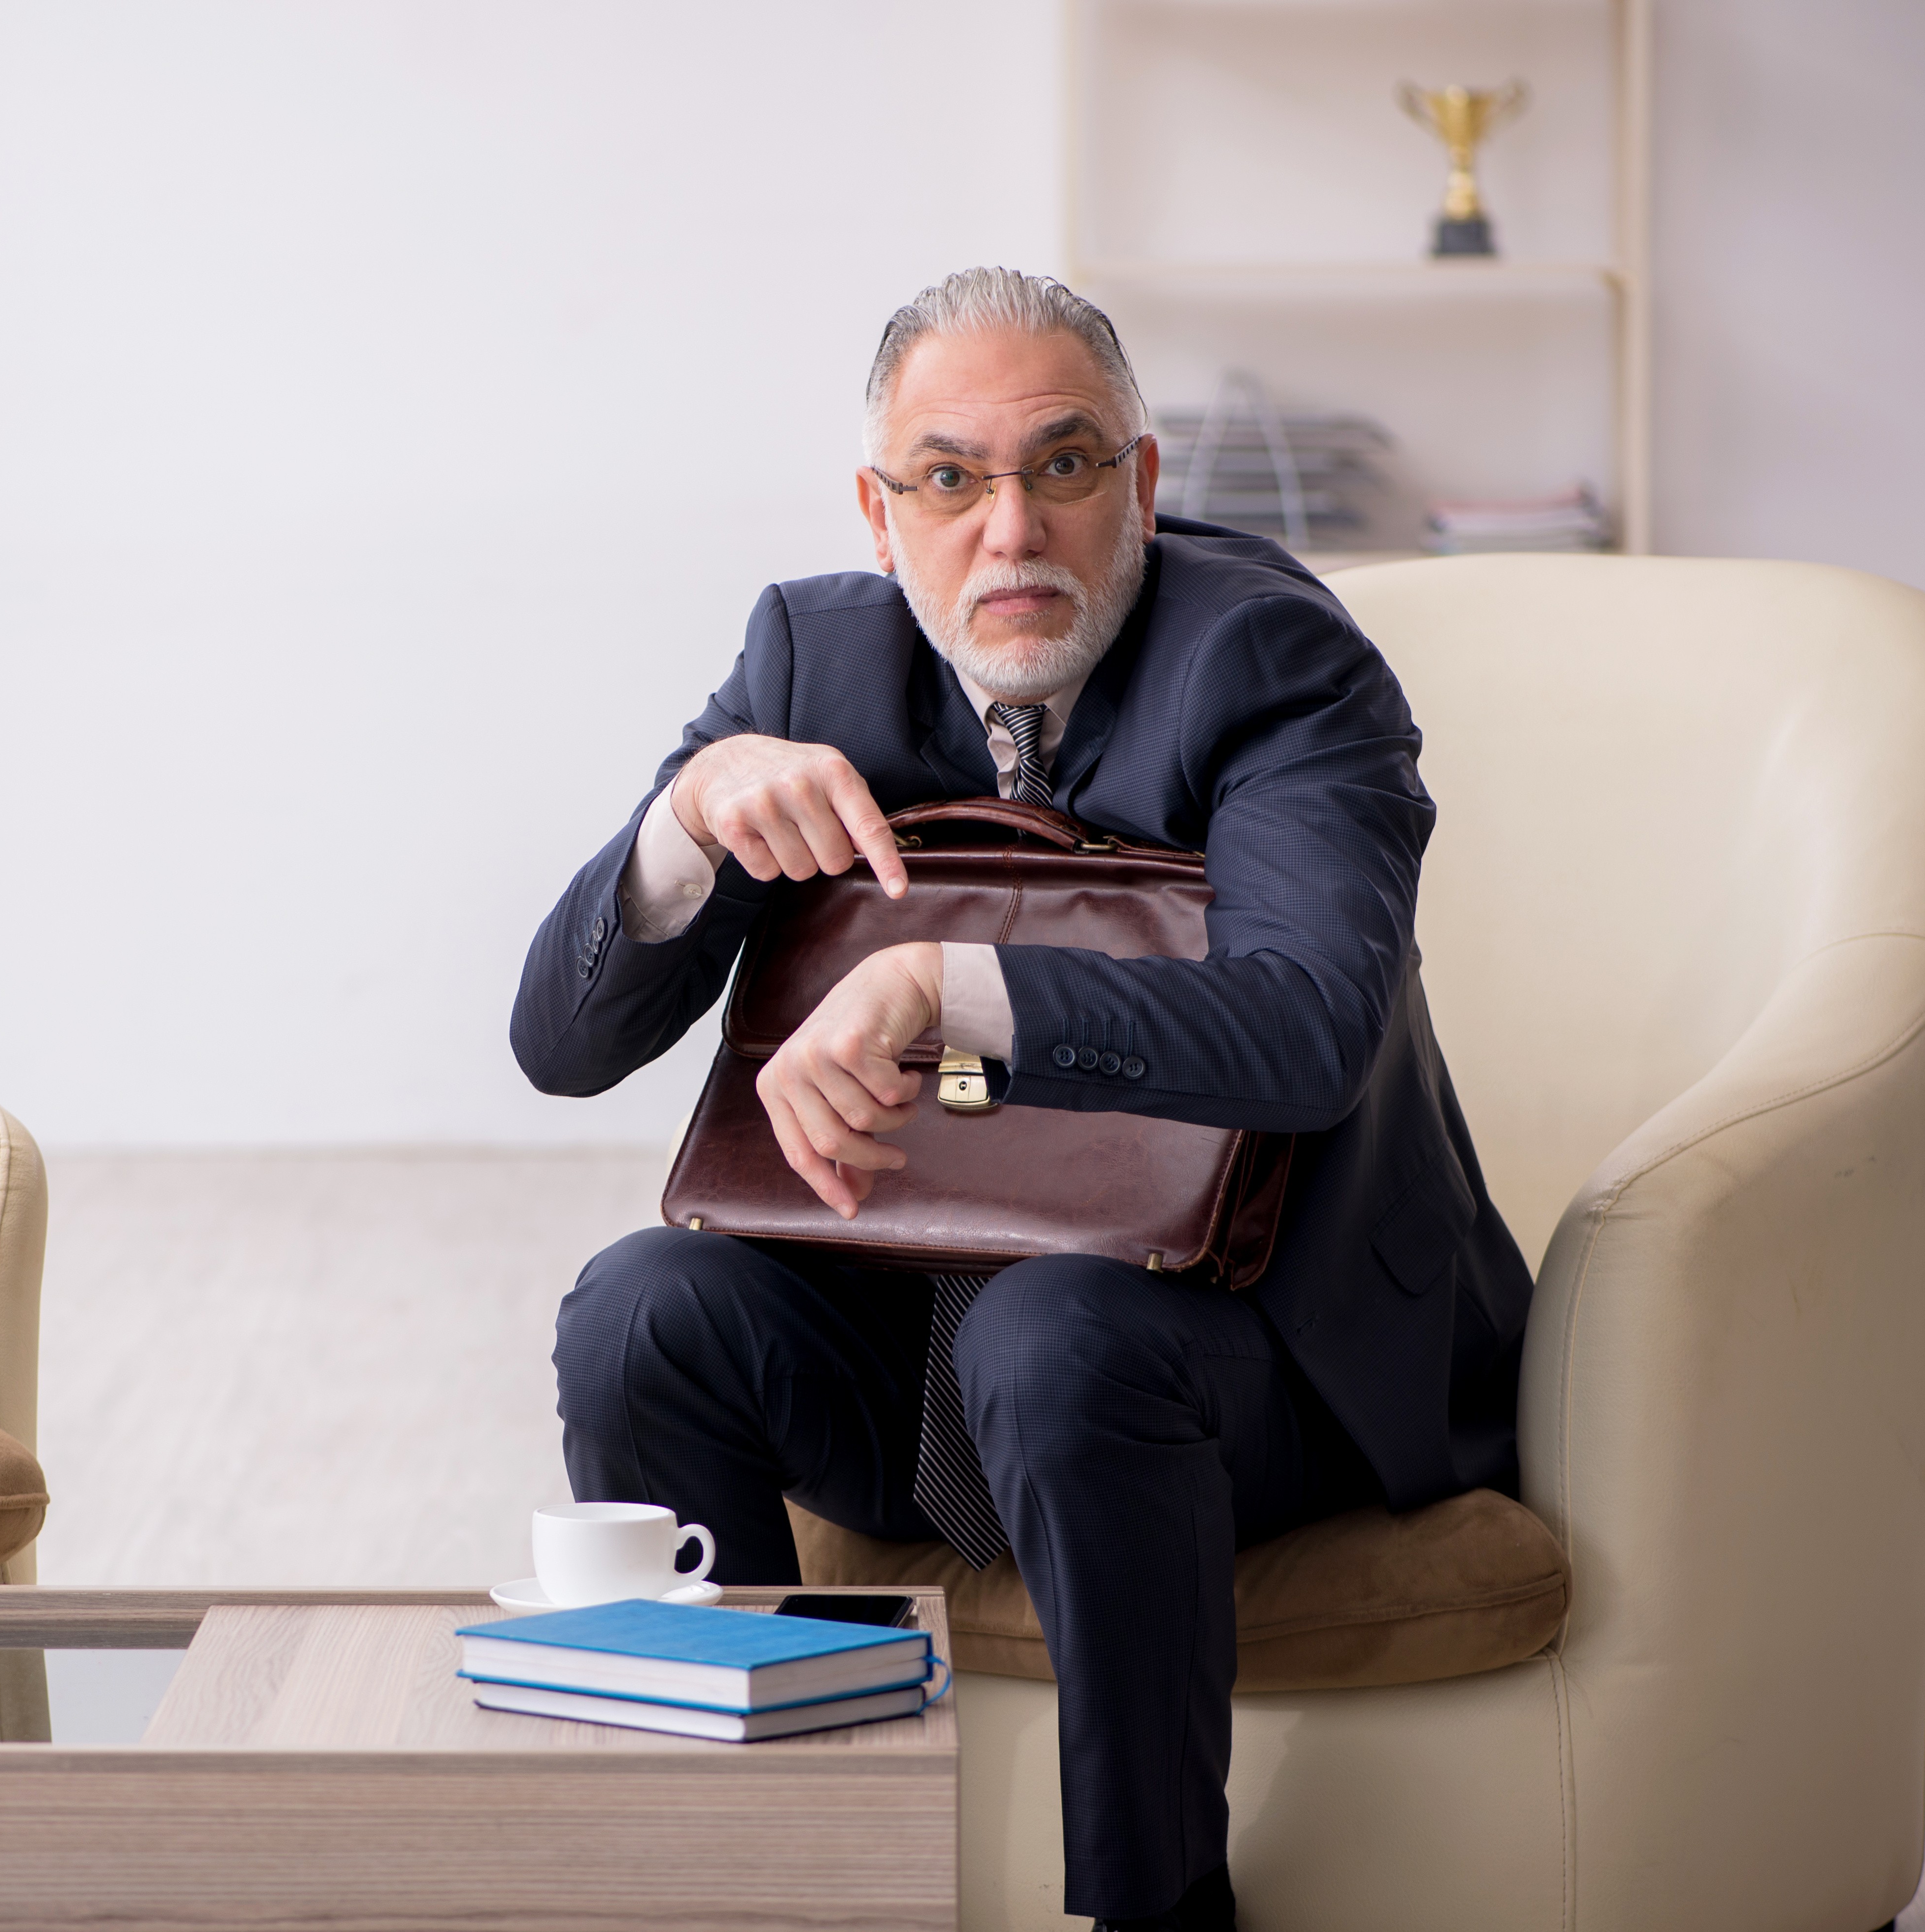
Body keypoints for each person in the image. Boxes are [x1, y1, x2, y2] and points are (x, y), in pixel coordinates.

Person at [511, 268, 1532, 1932]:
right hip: (914, 1364)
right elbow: (558, 1046)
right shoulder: (806, 655)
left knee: (1047, 1335)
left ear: (1137, 482)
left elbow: (1307, 1031)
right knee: (641, 1307)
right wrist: (686, 819)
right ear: (880, 506)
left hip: (1242, 1358)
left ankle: (1155, 1902)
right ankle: (762, 1865)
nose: (1007, 532)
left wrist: (951, 985)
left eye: (1061, 468)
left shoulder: (1274, 665)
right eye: (947, 478)